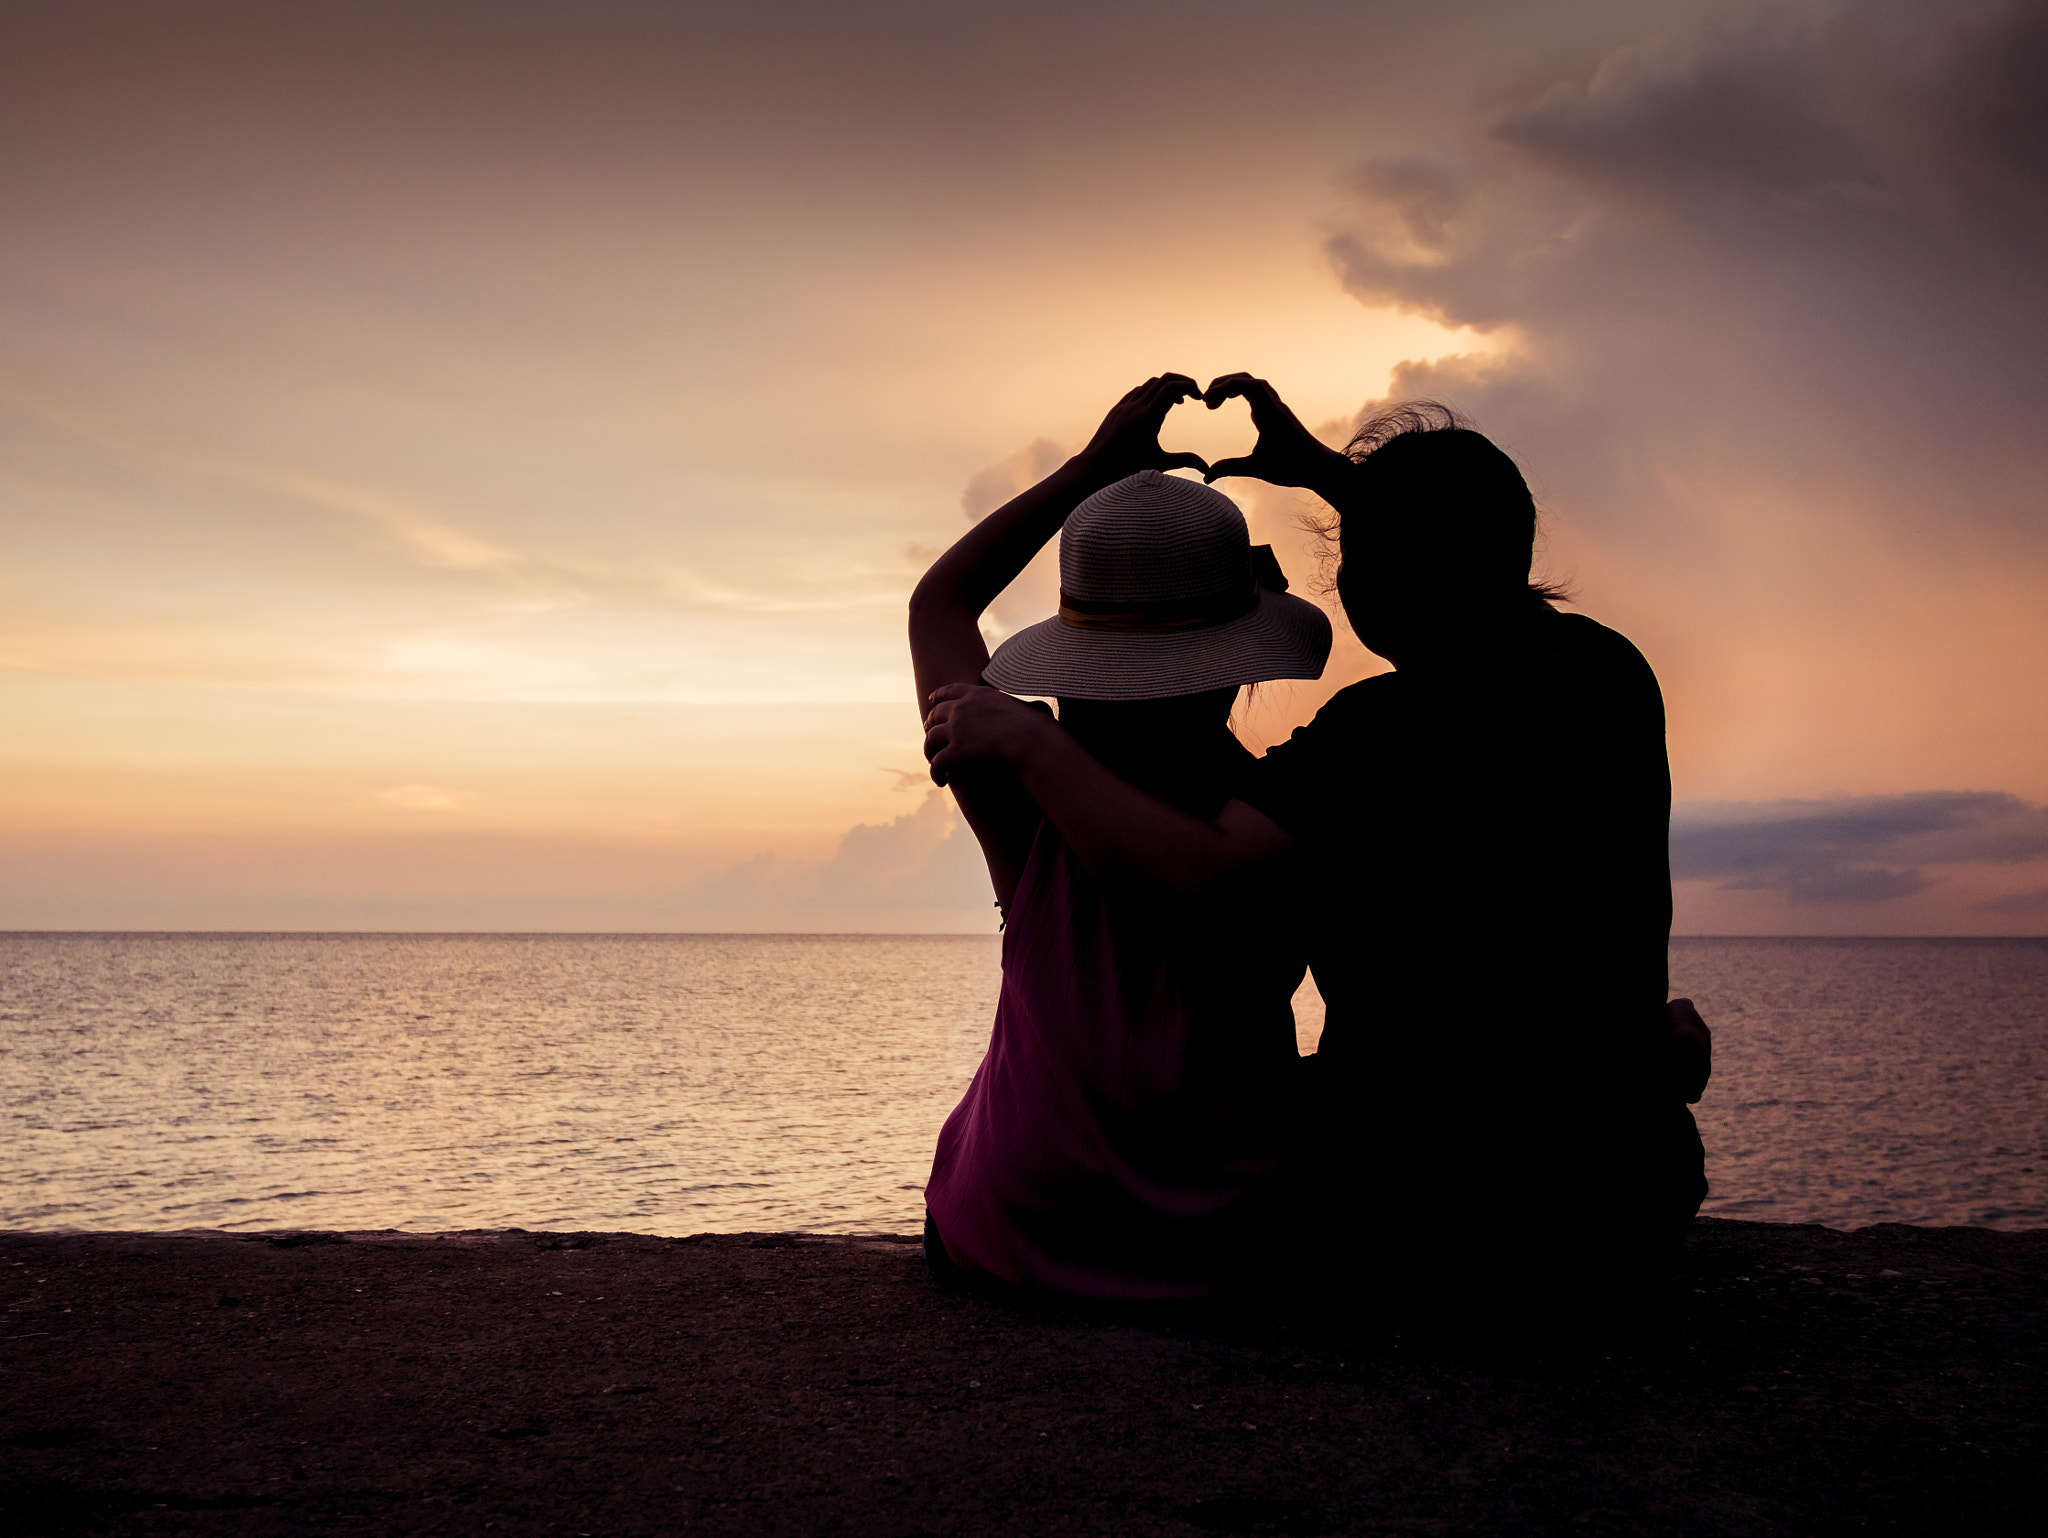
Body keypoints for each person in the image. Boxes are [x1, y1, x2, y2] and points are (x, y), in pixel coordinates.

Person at [924, 377, 1709, 1302]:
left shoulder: (1347, 754)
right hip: (1626, 1196)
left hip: (1415, 1219)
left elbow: (942, 605)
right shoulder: (1610, 676)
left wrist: (1029, 730)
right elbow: (1461, 577)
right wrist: (1327, 479)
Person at [910, 374, 1333, 1299]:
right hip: (1226, 1248)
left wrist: (1088, 471)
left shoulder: (1020, 792)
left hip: (1011, 1231)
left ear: (1077, 661)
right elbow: (1204, 880)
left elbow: (939, 605)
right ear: (1236, 670)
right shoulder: (1280, 810)